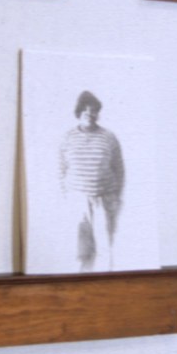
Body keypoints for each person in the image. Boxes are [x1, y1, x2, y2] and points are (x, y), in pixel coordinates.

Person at [59, 91, 125, 272]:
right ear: (79, 112)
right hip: (77, 200)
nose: (90, 114)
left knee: (104, 250)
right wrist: (68, 196)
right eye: (85, 110)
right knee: (80, 252)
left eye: (94, 110)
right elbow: (61, 169)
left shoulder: (108, 137)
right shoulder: (67, 137)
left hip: (104, 200)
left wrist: (115, 197)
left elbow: (119, 168)